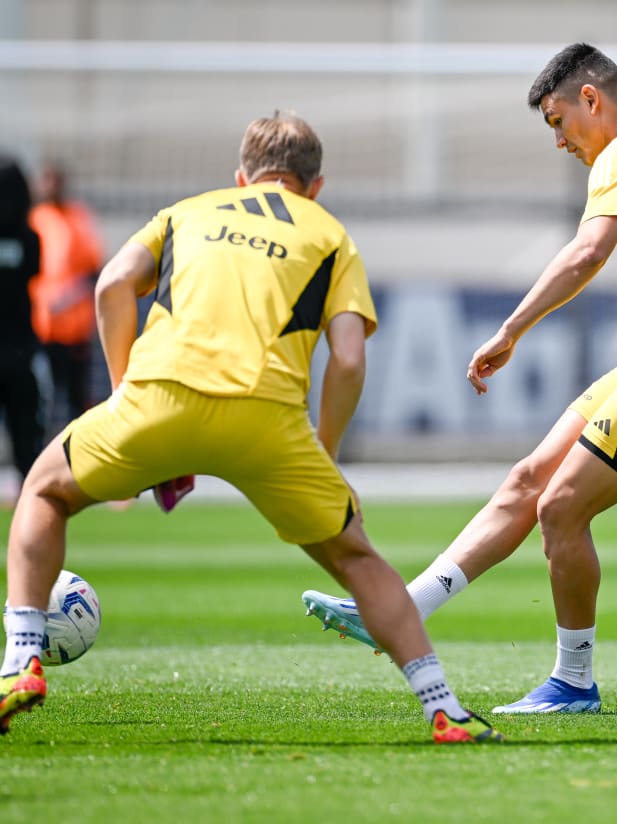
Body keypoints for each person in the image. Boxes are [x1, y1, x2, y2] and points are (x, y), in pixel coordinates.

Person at [302, 43, 617, 714]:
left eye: (556, 120)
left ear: (591, 99)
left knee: (560, 507)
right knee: (528, 480)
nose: (557, 140)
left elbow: (587, 251)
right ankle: (399, 610)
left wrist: (511, 328)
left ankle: (574, 682)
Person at [0, 111, 503, 744]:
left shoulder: (189, 211)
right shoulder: (330, 235)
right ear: (315, 186)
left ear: (242, 177)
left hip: (159, 397)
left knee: (44, 492)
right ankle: (444, 709)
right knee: (357, 559)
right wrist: (327, 452)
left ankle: (20, 661)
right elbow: (348, 358)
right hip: (268, 420)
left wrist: (129, 393)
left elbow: (112, 285)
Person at [28, 161, 105, 435]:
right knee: (41, 398)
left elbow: (93, 269)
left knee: (76, 400)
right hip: (40, 328)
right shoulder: (34, 219)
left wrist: (70, 295)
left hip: (74, 329)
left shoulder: (77, 217)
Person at [0, 155, 49, 503]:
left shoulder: (29, 237)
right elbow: (33, 272)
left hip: (15, 348)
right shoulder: (30, 237)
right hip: (19, 349)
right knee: (25, 432)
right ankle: (29, 498)